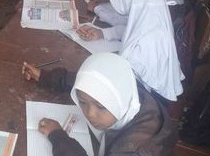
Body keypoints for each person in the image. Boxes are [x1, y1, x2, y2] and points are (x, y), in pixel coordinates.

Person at [22, 53, 178, 155]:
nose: (90, 114)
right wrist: (44, 76)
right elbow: (89, 83)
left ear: (118, 102)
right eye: (82, 102)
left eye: (101, 107)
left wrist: (57, 136)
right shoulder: (127, 89)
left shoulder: (135, 150)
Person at [77, 0, 185, 102]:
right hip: (144, 92)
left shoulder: (142, 48)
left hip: (143, 99)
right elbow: (131, 30)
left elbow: (120, 86)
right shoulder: (153, 19)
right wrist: (103, 33)